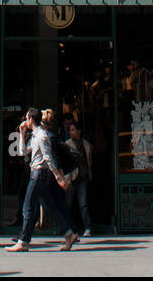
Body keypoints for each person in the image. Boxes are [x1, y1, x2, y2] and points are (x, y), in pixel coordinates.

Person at [6, 108, 79, 252]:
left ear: (31, 119)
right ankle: (68, 233)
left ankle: (23, 241)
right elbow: (22, 152)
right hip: (39, 174)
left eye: (26, 118)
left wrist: (59, 178)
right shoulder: (35, 136)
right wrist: (21, 133)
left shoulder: (41, 136)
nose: (25, 121)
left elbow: (48, 157)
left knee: (27, 207)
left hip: (39, 174)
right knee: (49, 205)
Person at [64, 119, 92, 236]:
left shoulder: (86, 145)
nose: (71, 132)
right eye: (70, 130)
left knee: (83, 203)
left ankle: (87, 227)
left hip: (82, 177)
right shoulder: (67, 145)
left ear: (79, 131)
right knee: (68, 204)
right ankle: (68, 228)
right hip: (71, 178)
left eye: (73, 130)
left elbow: (89, 161)